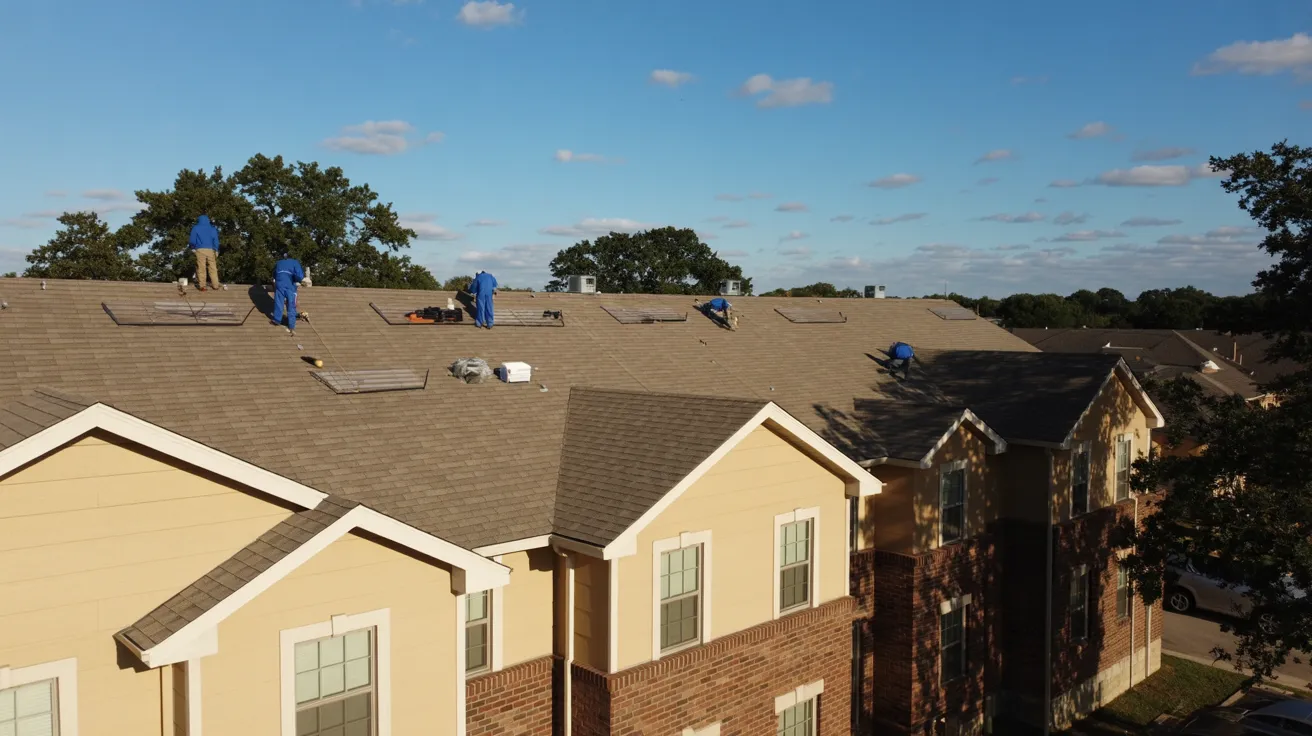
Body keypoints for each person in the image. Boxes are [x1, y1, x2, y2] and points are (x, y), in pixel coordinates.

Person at [271, 253, 306, 335]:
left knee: (279, 301)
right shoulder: (295, 262)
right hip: (289, 285)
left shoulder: (279, 263)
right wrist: (298, 280)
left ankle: (277, 319)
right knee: (291, 304)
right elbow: (300, 276)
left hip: (279, 283)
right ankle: (291, 326)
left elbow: (274, 274)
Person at [188, 215, 221, 291]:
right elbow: (215, 240)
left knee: (201, 267)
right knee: (212, 267)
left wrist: (193, 247)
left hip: (200, 249)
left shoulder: (195, 228)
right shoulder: (212, 228)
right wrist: (216, 249)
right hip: (210, 250)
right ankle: (215, 285)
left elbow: (192, 240)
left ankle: (202, 286)